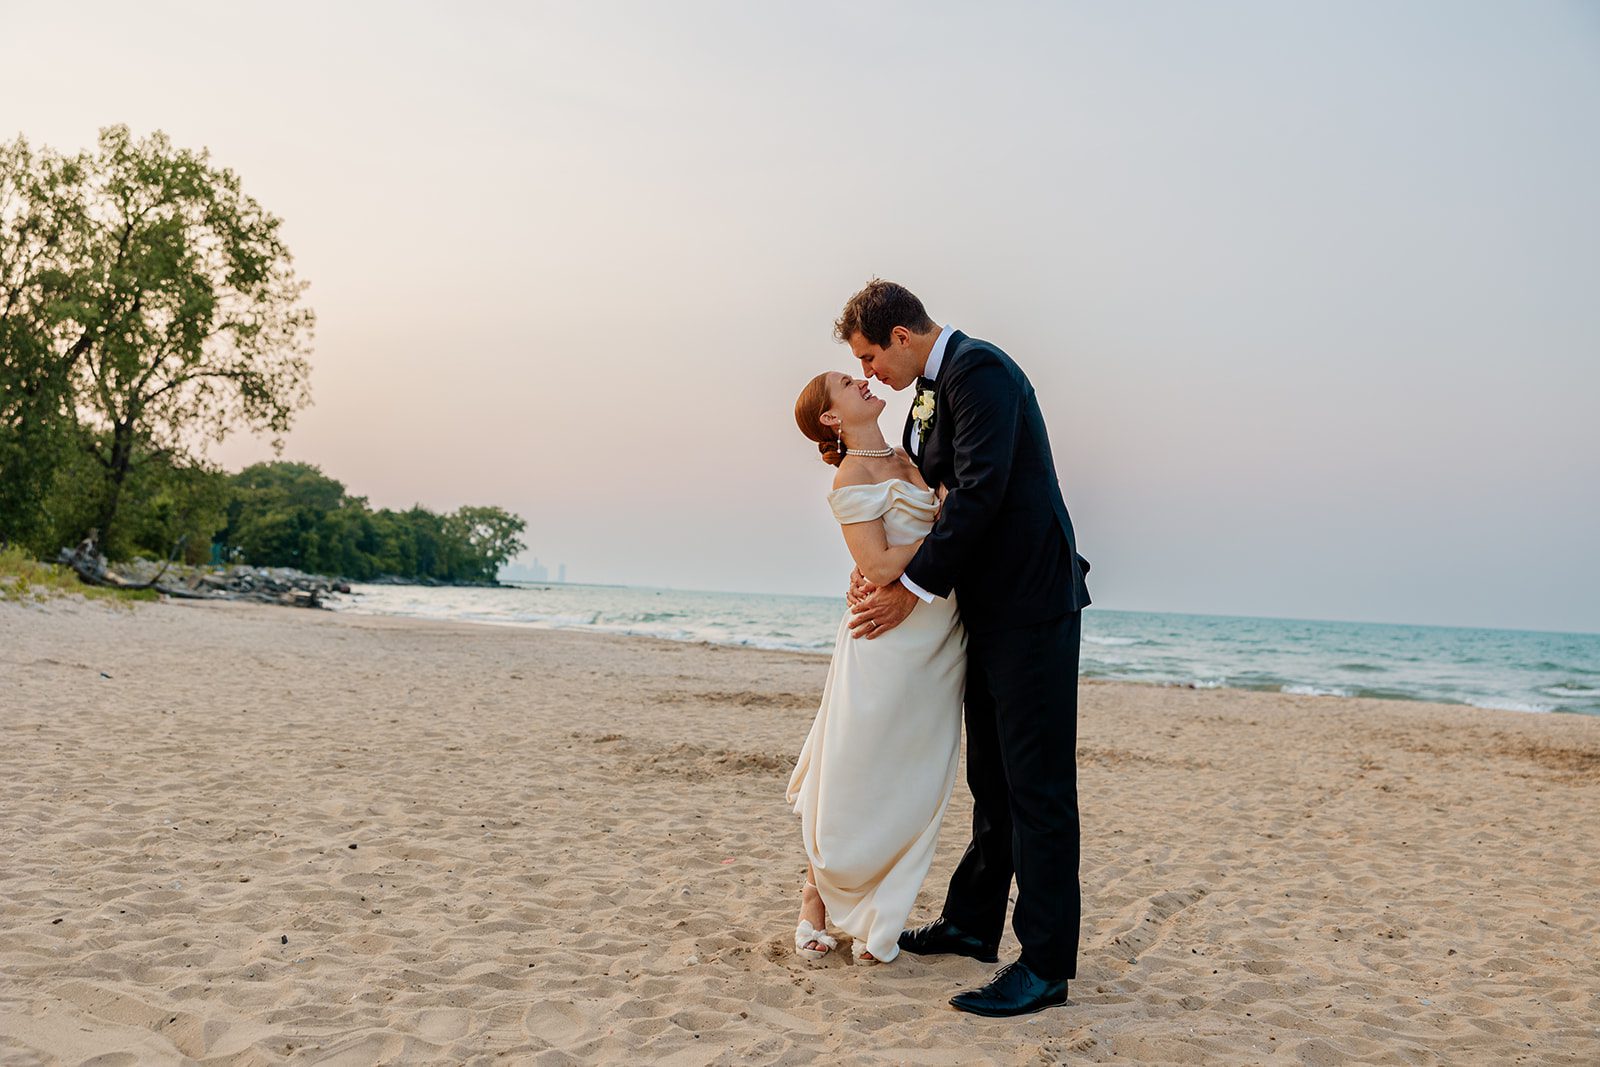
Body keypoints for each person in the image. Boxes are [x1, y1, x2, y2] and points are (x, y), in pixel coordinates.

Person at [839, 280, 1091, 1017]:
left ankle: (1044, 965)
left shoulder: (980, 372)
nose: (869, 373)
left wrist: (905, 587)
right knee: (993, 777)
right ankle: (974, 923)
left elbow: (980, 492)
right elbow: (940, 487)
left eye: (869, 356)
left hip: (1031, 605)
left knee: (1038, 789)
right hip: (982, 610)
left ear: (901, 336)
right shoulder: (933, 386)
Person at [787, 370, 967, 965]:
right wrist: (947, 525)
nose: (862, 380)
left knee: (913, 780)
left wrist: (946, 523)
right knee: (856, 771)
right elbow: (881, 564)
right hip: (884, 640)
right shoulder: (852, 474)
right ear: (832, 417)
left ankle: (880, 914)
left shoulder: (910, 451)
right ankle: (817, 898)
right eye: (847, 382)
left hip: (939, 640)